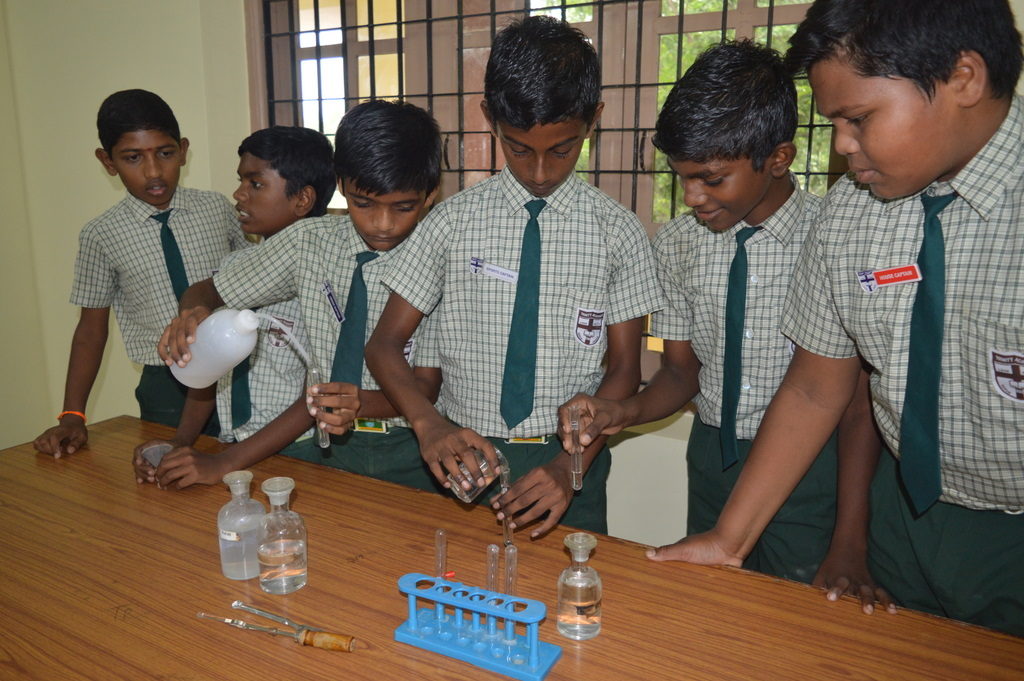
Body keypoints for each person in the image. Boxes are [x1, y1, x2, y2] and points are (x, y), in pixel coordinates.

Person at [660, 0, 1024, 636]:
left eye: (858, 118)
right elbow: (813, 387)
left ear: (963, 78)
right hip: (900, 517)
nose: (843, 147)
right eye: (834, 123)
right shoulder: (851, 216)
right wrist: (727, 540)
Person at [559, 40, 884, 595]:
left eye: (711, 178)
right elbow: (683, 374)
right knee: (713, 608)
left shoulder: (834, 234)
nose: (691, 196)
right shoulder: (681, 245)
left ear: (778, 158)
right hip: (712, 457)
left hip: (816, 470)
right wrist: (624, 408)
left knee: (799, 621)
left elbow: (854, 401)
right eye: (681, 177)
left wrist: (850, 538)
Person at [364, 15, 664, 537]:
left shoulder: (619, 233)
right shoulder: (451, 223)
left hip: (568, 463)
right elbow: (385, 344)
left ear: (594, 118)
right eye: (520, 148)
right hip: (458, 455)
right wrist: (428, 423)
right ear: (490, 119)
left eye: (563, 149)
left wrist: (571, 471)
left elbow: (621, 370)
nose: (541, 171)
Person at [160, 100, 445, 492]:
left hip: (412, 450)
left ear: (430, 195)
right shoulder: (307, 243)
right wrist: (192, 312)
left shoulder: (440, 257)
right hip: (326, 449)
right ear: (342, 184)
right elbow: (210, 288)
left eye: (403, 207)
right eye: (363, 204)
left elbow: (426, 387)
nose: (382, 224)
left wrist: (356, 402)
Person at [33, 89, 248, 458]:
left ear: (182, 150)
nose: (153, 172)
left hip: (239, 372)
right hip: (166, 386)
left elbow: (253, 278)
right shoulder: (101, 235)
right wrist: (72, 414)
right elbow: (90, 329)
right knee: (168, 475)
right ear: (108, 161)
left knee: (242, 464)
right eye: (133, 158)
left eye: (164, 154)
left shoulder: (217, 209)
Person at [133, 125, 335, 488]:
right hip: (233, 445)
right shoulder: (233, 268)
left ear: (302, 200)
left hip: (297, 453)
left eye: (255, 184)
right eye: (241, 181)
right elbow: (209, 370)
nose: (238, 195)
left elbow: (315, 396)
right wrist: (179, 445)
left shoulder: (322, 277)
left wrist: (222, 464)